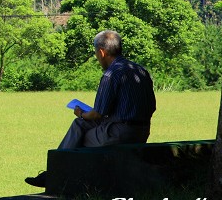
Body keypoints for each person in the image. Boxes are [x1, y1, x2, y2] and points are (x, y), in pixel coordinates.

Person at [25, 30, 156, 188]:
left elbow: (97, 113)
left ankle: (56, 176)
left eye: (95, 53)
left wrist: (81, 113)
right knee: (79, 125)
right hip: (142, 131)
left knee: (79, 135)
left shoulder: (111, 75)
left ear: (101, 52)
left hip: (120, 134)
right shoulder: (140, 71)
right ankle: (53, 172)